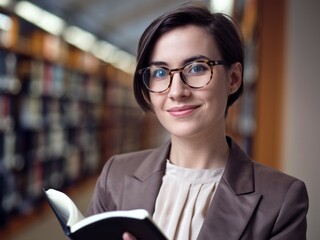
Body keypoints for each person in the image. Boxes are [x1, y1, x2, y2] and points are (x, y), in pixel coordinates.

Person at [87, 3, 308, 240]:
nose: (177, 91)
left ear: (233, 78)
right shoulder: (115, 176)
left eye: (196, 68)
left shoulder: (281, 200)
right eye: (160, 73)